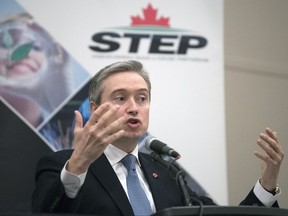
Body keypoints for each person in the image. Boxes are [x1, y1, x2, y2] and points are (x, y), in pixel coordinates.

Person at [31, 60, 284, 215]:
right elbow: (47, 212)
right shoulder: (61, 166)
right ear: (95, 109)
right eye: (120, 98)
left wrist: (267, 184)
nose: (133, 107)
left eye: (142, 98)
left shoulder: (168, 174)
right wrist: (80, 163)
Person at [0, 12, 72, 128]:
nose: (22, 52)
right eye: (6, 43)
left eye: (37, 46)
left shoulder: (62, 138)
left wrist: (65, 109)